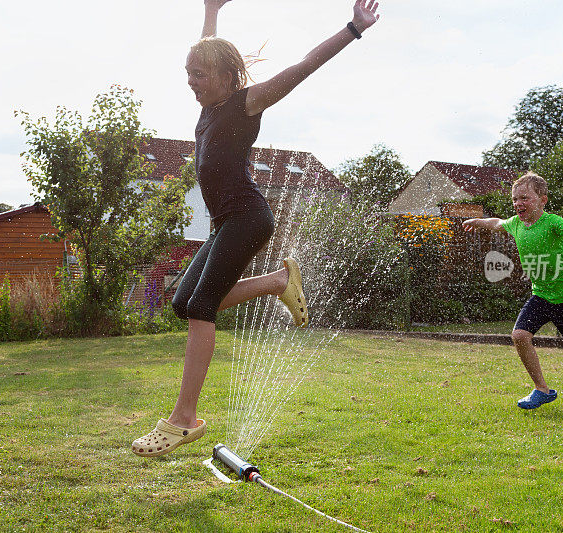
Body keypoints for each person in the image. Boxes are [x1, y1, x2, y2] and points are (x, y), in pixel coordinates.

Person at [132, 0, 382, 457]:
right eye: (188, 73)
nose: (191, 81)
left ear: (228, 76)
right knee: (184, 302)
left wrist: (354, 28)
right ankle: (277, 282)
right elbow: (207, 51)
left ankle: (183, 419)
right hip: (225, 223)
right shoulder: (207, 108)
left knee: (202, 307)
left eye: (199, 75)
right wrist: (211, 11)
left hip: (248, 217)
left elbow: (305, 65)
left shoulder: (247, 103)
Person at [462, 172, 563, 410]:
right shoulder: (515, 224)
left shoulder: (552, 222)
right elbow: (496, 223)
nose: (518, 203)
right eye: (515, 199)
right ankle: (542, 389)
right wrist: (478, 222)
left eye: (525, 198)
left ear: (542, 200)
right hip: (541, 295)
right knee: (519, 336)